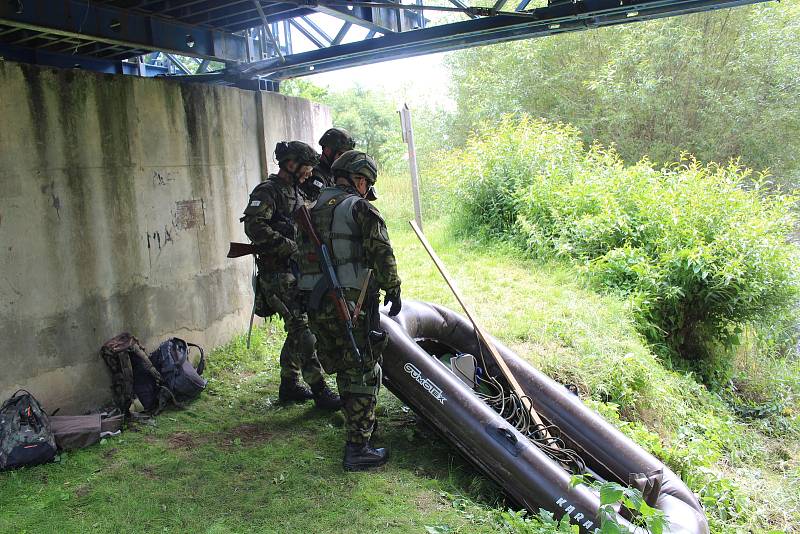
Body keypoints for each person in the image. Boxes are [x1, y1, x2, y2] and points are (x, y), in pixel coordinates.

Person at [297, 150, 402, 471]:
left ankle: (362, 424)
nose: (366, 189)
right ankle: (358, 447)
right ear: (358, 179)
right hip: (351, 304)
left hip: (317, 304)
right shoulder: (359, 208)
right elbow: (381, 253)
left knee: (345, 366)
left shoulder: (310, 208)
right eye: (366, 182)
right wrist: (394, 288)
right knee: (363, 368)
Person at [241, 141, 341, 410]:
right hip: (277, 274)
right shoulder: (268, 191)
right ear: (292, 164)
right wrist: (289, 246)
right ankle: (320, 390)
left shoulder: (294, 191)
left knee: (299, 328)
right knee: (303, 329)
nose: (310, 172)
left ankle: (289, 385)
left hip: (294, 271)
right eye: (307, 167)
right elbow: (253, 225)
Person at [300, 127, 356, 202]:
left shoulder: (333, 172)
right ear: (327, 150)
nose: (344, 159)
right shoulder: (314, 175)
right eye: (341, 154)